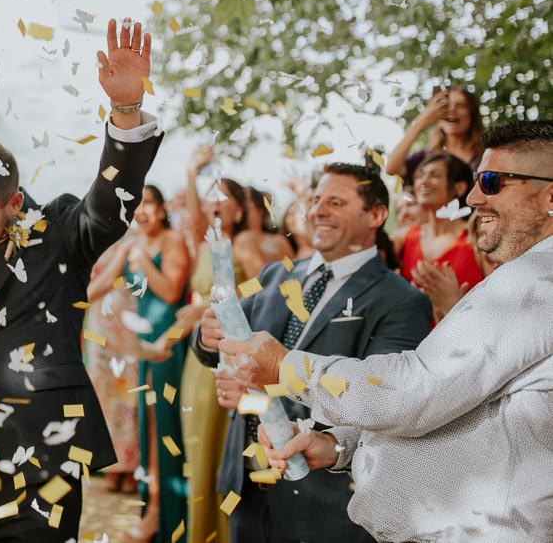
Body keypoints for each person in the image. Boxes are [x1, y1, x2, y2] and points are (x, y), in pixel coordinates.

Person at [222, 121, 553, 542]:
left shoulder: (535, 284)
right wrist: (342, 446)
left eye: (492, 182)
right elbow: (470, 408)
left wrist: (288, 367)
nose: (472, 198)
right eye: (475, 182)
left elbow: (414, 391)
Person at [0, 19, 164, 542]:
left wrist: (126, 113)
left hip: (45, 455)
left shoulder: (62, 229)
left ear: (15, 201)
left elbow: (110, 209)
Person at [193, 163, 432, 543]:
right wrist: (208, 337)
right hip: (246, 485)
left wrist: (269, 388)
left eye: (335, 202)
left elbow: (382, 402)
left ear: (375, 215)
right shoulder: (276, 275)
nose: (318, 210)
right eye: (316, 199)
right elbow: (223, 344)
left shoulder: (402, 302)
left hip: (324, 500)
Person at [178, 149, 264, 543]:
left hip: (230, 359)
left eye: (223, 197)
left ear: (240, 209)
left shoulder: (244, 244)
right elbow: (195, 216)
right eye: (210, 196)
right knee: (198, 453)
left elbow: (265, 289)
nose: (214, 203)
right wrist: (193, 170)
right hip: (198, 362)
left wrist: (208, 312)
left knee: (221, 455)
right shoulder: (205, 243)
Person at [104, 185, 191, 543]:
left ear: (161, 209)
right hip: (143, 349)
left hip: (170, 346)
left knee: (165, 430)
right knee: (149, 429)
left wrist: (141, 263)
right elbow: (99, 283)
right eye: (135, 205)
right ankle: (153, 510)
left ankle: (166, 515)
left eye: (149, 204)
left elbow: (171, 292)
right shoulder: (132, 245)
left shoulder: (172, 242)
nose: (142, 211)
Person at [395, 152, 483, 320]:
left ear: (459, 188)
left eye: (435, 175)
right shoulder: (405, 237)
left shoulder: (475, 238)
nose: (423, 182)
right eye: (420, 175)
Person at [85, 240, 142, 497]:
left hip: (131, 323)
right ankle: (112, 465)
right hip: (101, 326)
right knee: (104, 394)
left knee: (131, 394)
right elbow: (91, 285)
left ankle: (131, 466)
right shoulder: (93, 239)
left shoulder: (137, 238)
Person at [385, 86, 484, 183]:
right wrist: (422, 122)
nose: (452, 110)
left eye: (460, 105)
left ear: (472, 113)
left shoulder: (484, 156)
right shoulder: (427, 157)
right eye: (445, 106)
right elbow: (391, 169)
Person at [244, 187, 295, 263]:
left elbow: (290, 268)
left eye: (247, 205)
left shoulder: (278, 242)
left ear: (260, 209)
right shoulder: (234, 241)